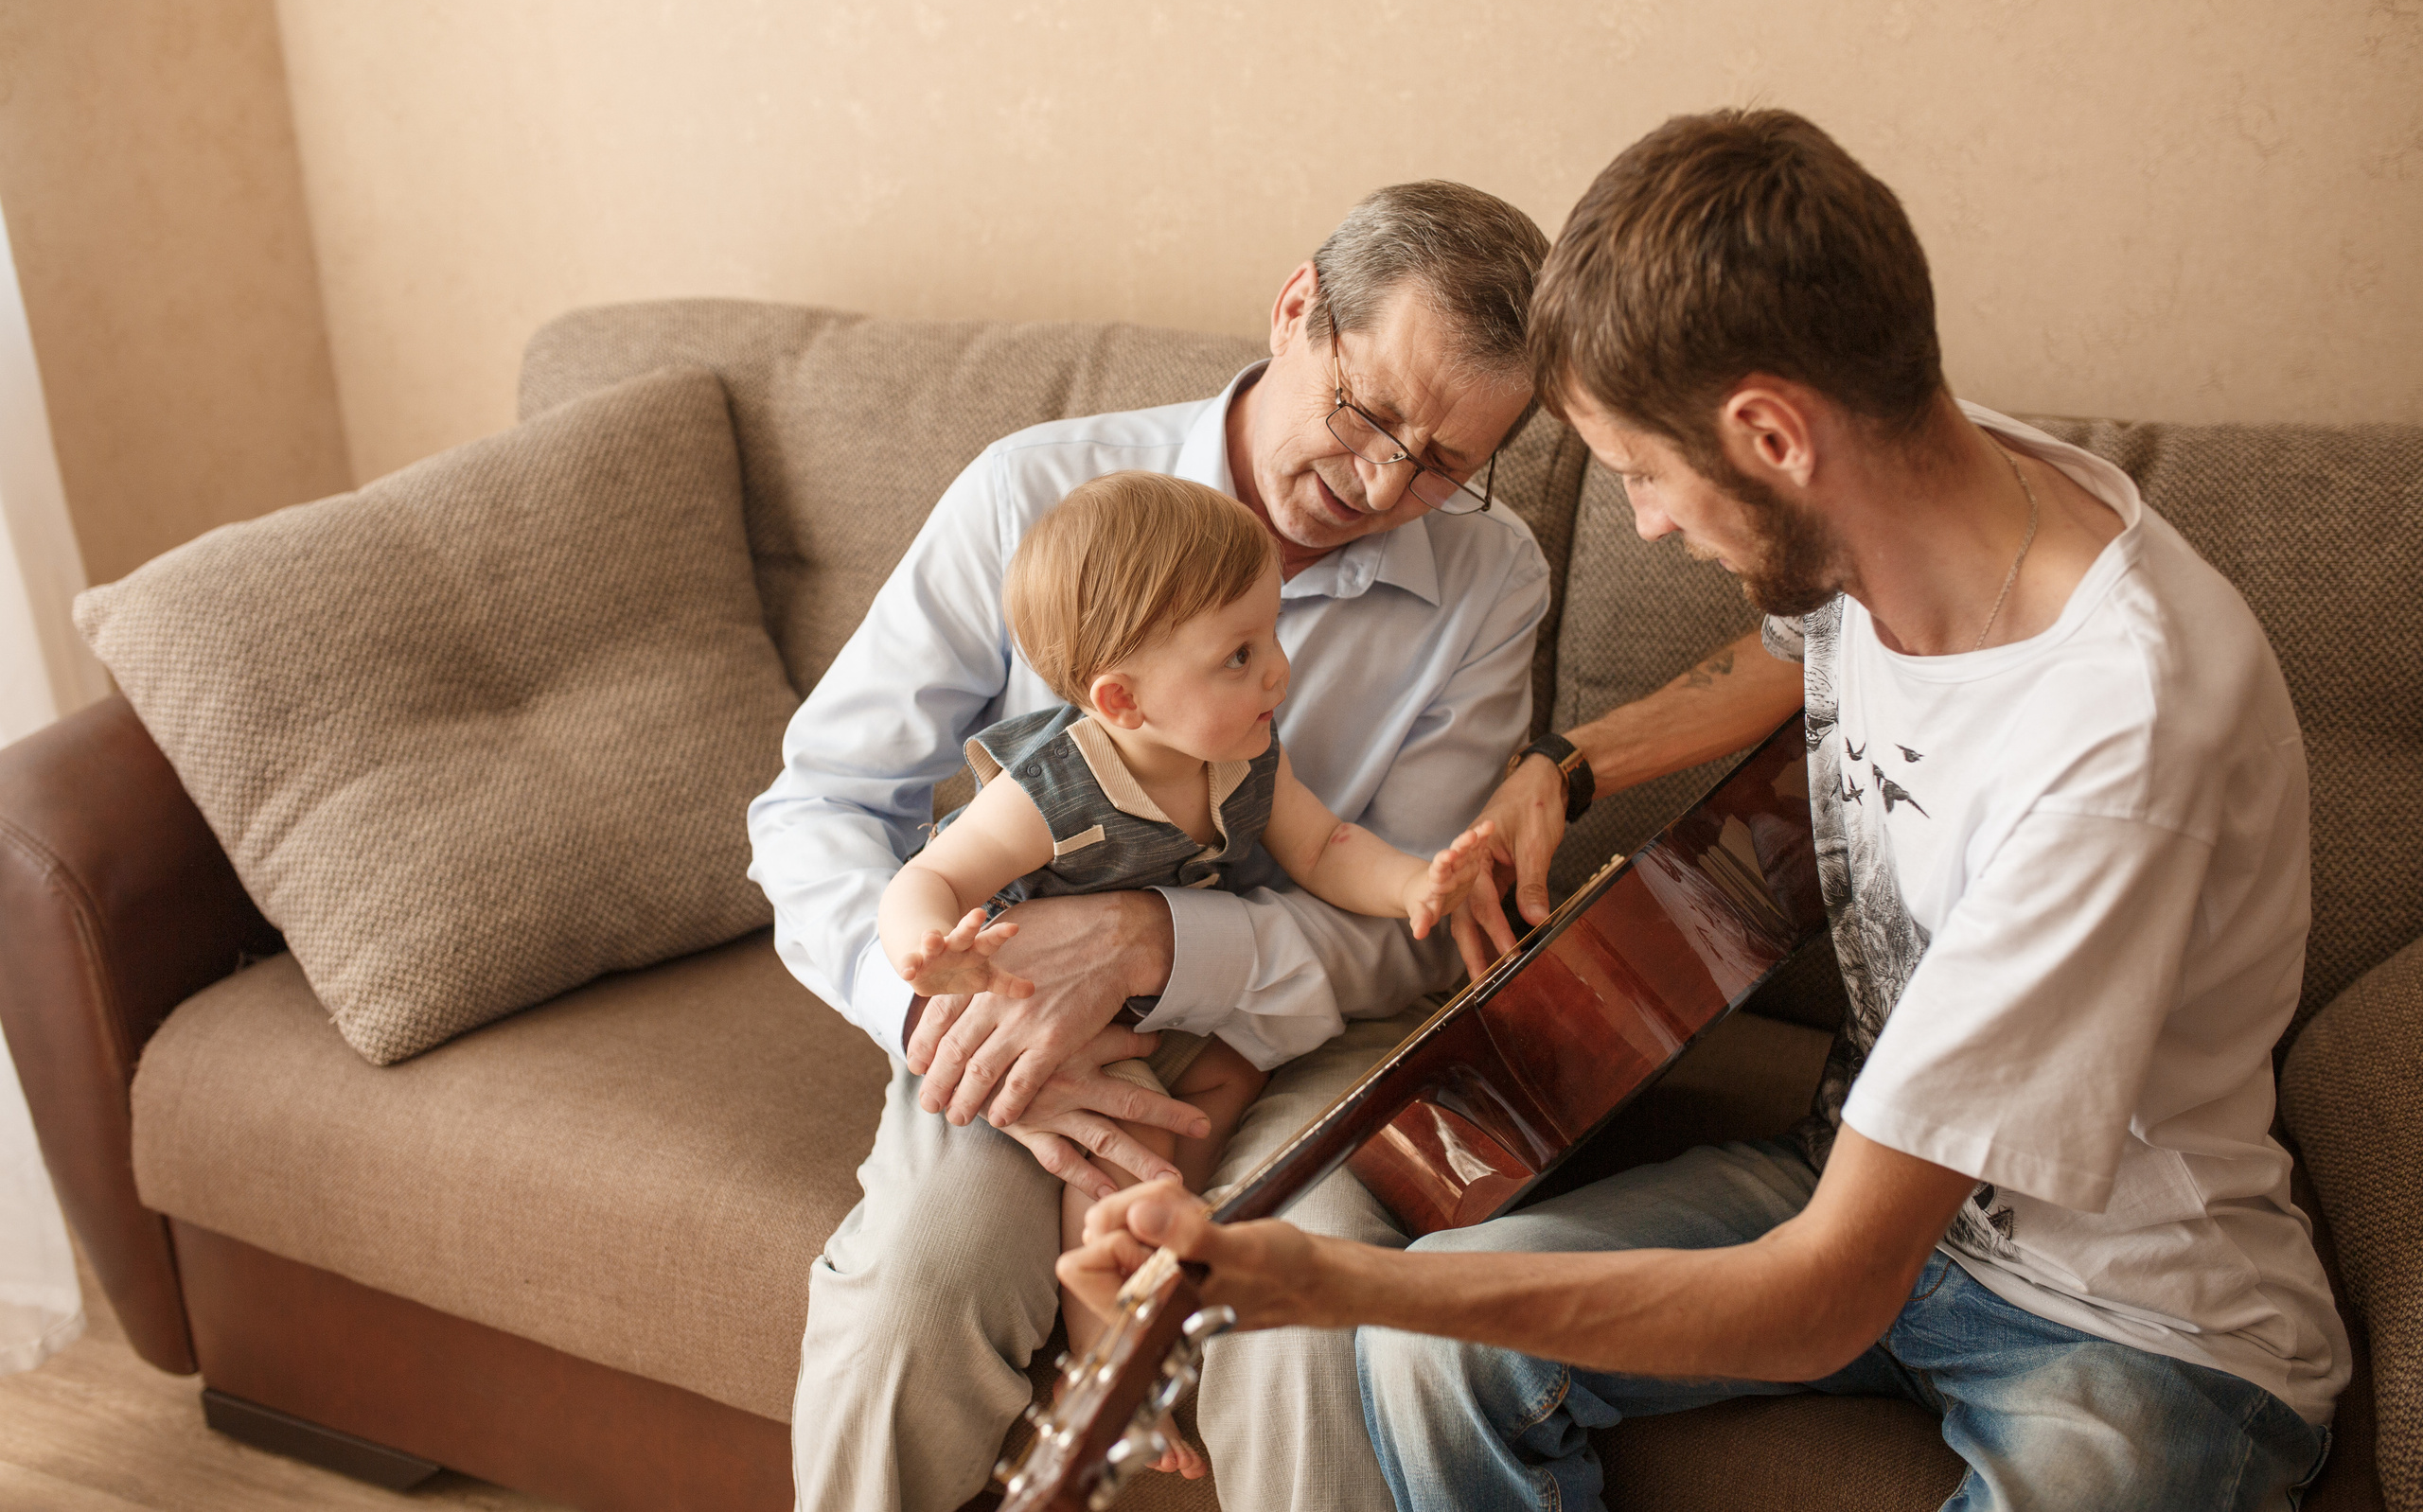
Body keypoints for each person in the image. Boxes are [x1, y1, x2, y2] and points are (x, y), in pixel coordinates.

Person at [1062, 110, 2348, 1511]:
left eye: (1638, 473)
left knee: (1402, 1310)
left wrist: (1323, 1279)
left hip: (2128, 1313)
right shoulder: (1917, 477)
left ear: (1772, 435)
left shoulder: (2115, 745)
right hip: (1852, 1171)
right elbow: (1794, 647)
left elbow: (1822, 1295)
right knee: (1432, 1355)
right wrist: (1564, 767)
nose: (1649, 525)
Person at [747, 180, 1553, 1510]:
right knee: (921, 1286)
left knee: (1307, 1323)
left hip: (1298, 1036)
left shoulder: (1491, 577)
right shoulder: (1033, 493)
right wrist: (941, 1011)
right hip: (1016, 1018)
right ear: (1296, 310)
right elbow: (823, 804)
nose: (1381, 484)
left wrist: (1155, 944)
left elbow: (1409, 932)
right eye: (1367, 415)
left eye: (1443, 463)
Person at [879, 470, 1495, 1391]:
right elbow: (928, 876)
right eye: (1239, 656)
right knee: (1131, 1153)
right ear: (1123, 702)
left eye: (1270, 632)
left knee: (1236, 1069)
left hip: (1155, 1000)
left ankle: (1177, 1230)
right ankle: (1104, 1368)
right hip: (1048, 1015)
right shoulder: (1053, 791)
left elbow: (1324, 848)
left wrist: (1413, 883)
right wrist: (929, 947)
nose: (1278, 670)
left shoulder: (1241, 751)